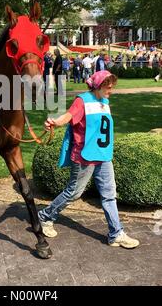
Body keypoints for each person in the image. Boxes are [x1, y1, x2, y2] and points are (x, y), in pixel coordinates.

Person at [38, 70, 140, 249]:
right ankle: (45, 216)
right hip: (84, 156)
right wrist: (54, 122)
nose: (111, 91)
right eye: (108, 88)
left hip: (103, 156)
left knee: (109, 195)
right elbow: (68, 117)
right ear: (98, 86)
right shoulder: (82, 100)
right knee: (73, 192)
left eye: (112, 87)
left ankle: (116, 234)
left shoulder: (104, 102)